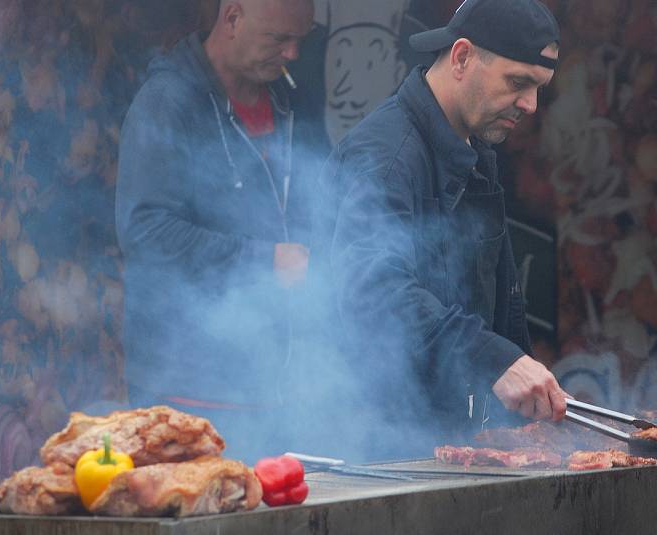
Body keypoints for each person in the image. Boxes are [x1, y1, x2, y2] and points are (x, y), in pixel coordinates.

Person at [313, 0, 568, 456]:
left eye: (539, 88)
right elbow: (373, 288)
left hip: (447, 442)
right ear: (462, 56)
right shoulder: (387, 156)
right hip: (376, 449)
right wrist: (494, 360)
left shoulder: (473, 149)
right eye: (518, 82)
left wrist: (522, 389)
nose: (530, 105)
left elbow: (499, 299)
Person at [115, 0, 319, 461]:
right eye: (278, 39)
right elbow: (145, 231)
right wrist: (265, 260)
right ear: (232, 18)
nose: (292, 54)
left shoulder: (287, 97)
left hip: (277, 382)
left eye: (299, 40)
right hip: (187, 390)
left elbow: (309, 199)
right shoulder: (167, 102)